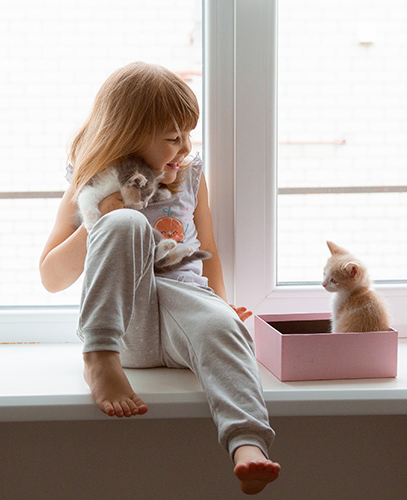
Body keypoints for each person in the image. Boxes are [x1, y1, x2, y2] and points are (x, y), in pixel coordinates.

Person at [39, 61, 280, 495]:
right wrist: (99, 217)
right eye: (173, 138)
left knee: (224, 327)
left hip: (183, 312)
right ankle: (98, 358)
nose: (184, 147)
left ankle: (247, 443)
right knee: (126, 224)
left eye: (188, 134)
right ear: (129, 133)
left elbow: (208, 251)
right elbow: (51, 278)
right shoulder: (89, 185)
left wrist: (222, 303)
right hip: (124, 326)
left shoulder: (190, 175)